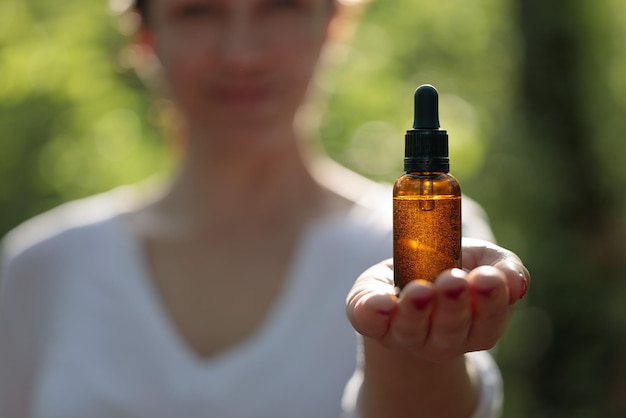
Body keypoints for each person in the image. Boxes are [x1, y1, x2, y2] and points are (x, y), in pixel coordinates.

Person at [0, 0, 530, 417]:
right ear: (146, 35)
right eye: (199, 10)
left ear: (332, 24)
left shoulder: (408, 248)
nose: (242, 54)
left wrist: (412, 355)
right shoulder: (42, 268)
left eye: (280, 4)